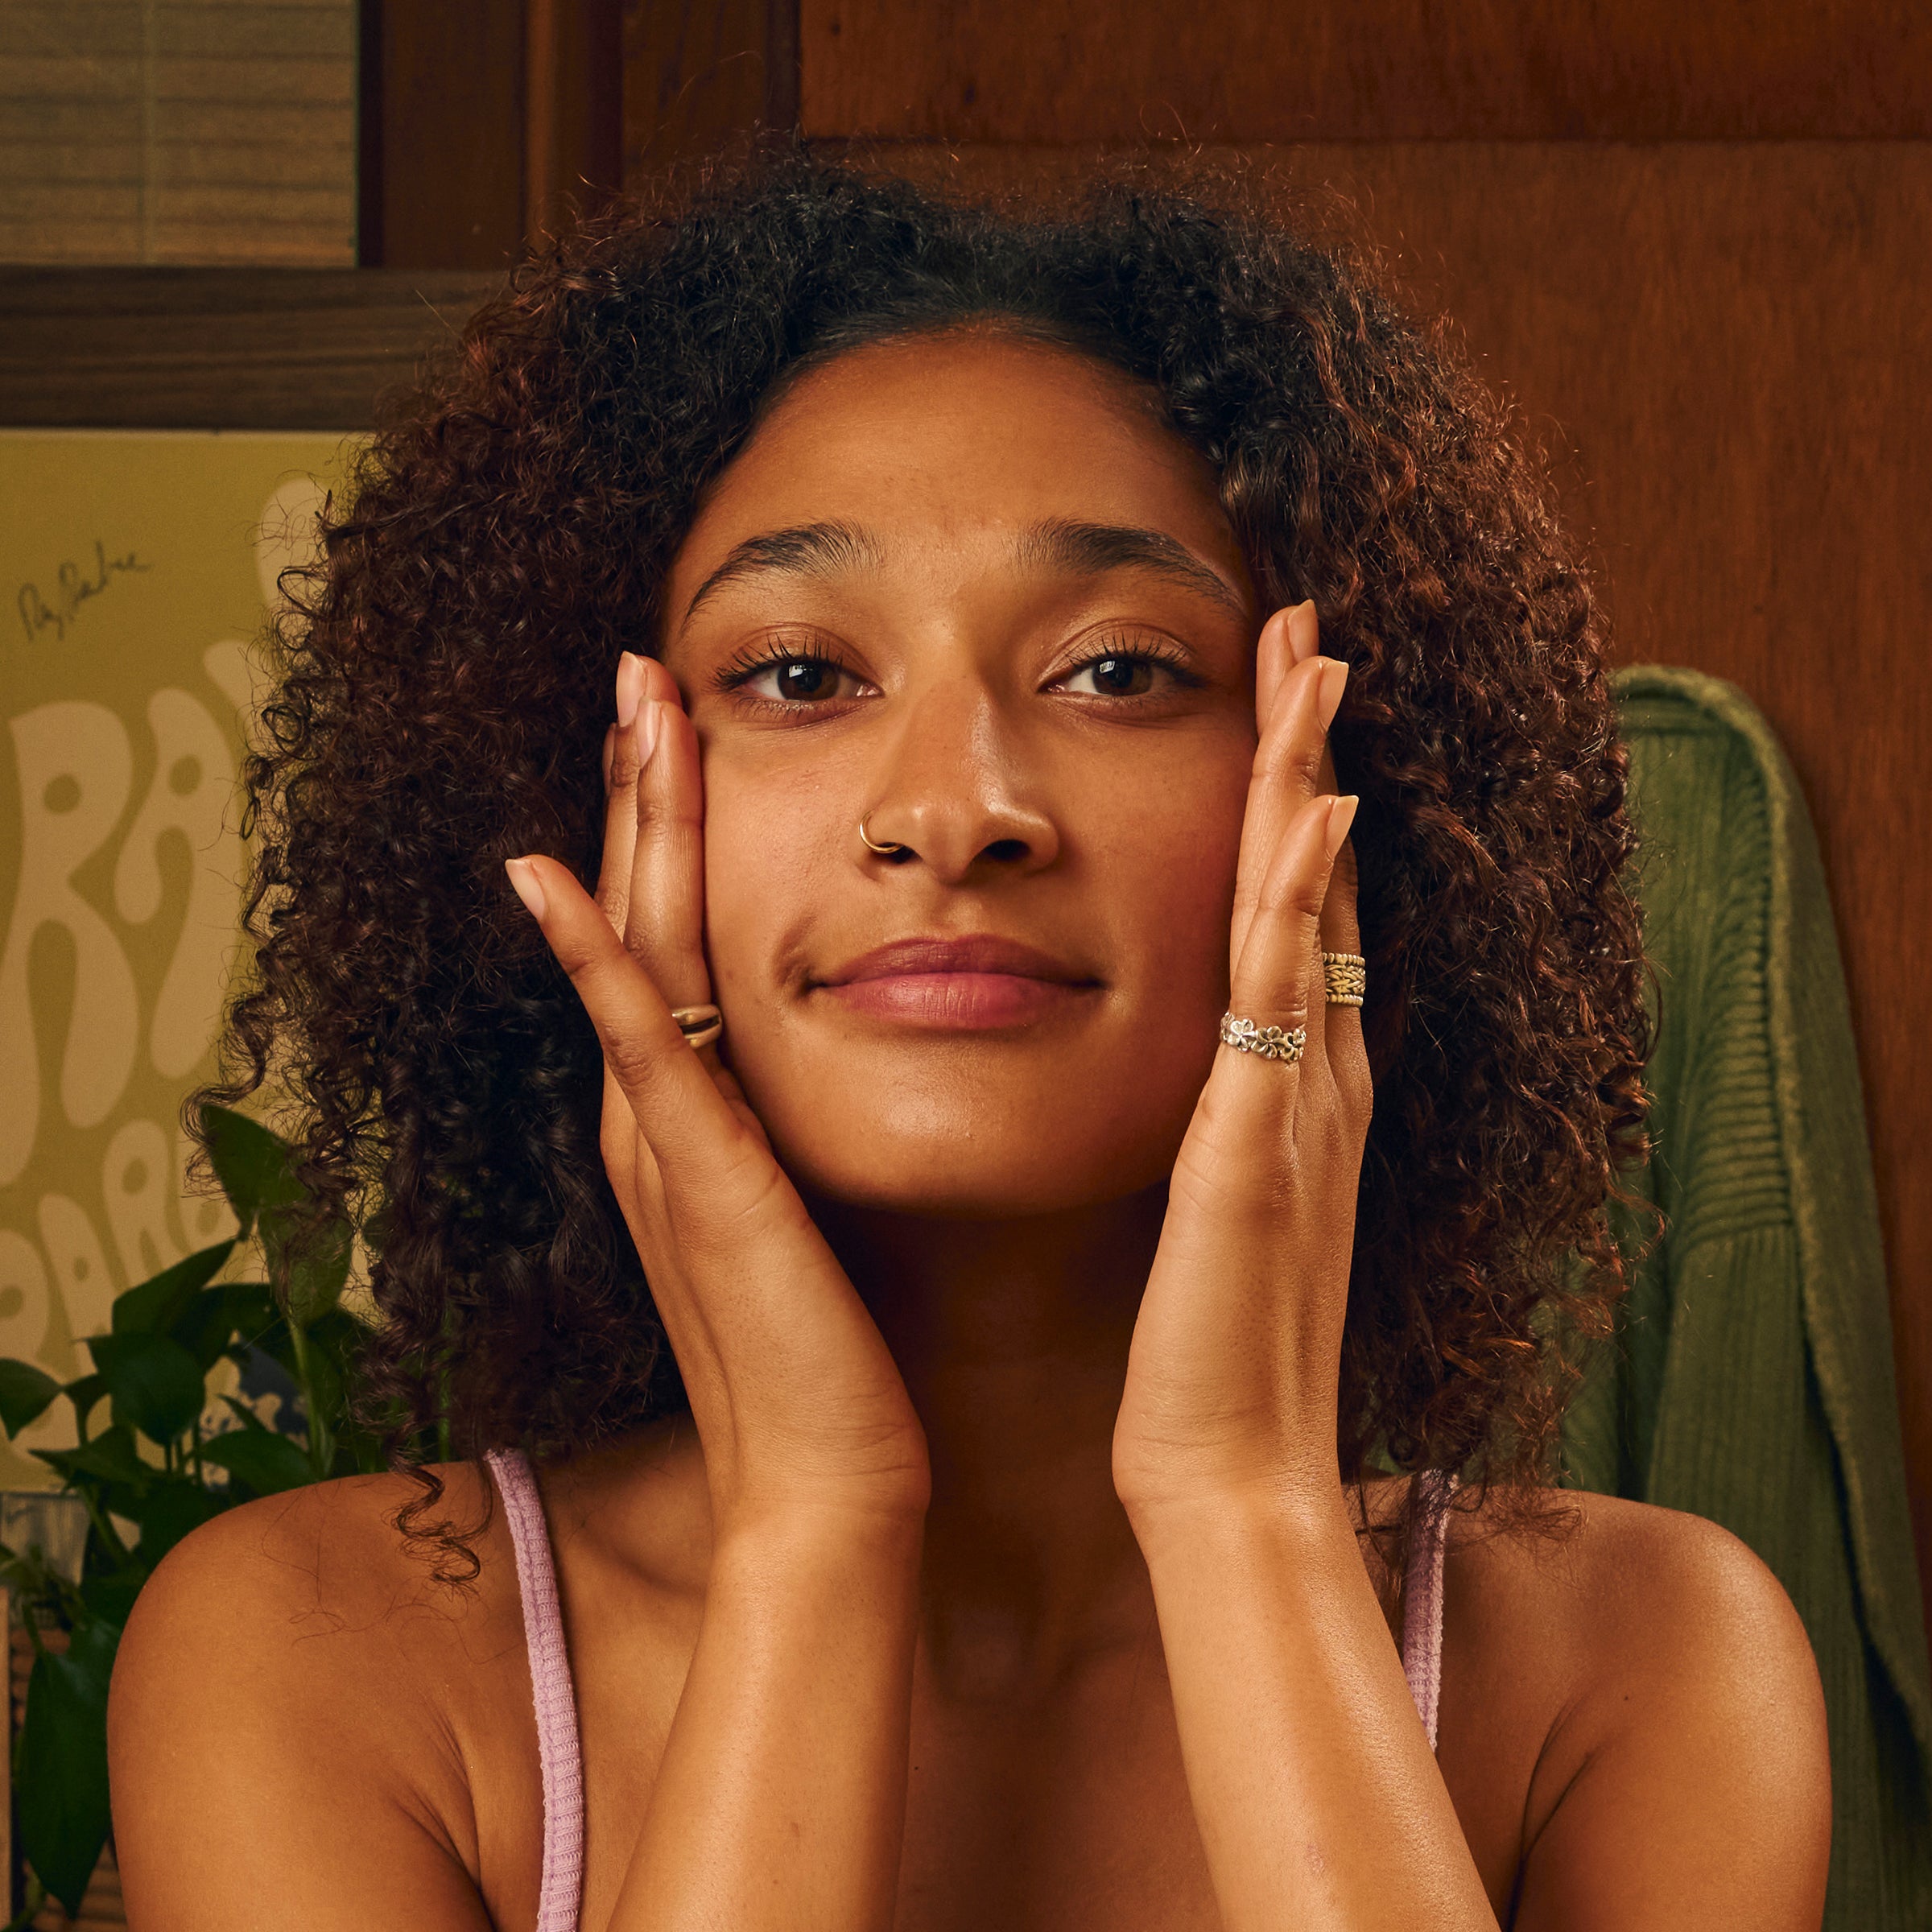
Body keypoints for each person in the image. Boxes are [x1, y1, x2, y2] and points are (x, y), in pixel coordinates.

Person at [108, 155, 1830, 1930]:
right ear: (593, 782)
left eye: (1116, 671)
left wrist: (1243, 1508)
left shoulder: (1638, 1670)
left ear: (1338, 803)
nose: (956, 809)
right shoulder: (318, 1665)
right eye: (796, 675)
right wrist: (813, 1526)